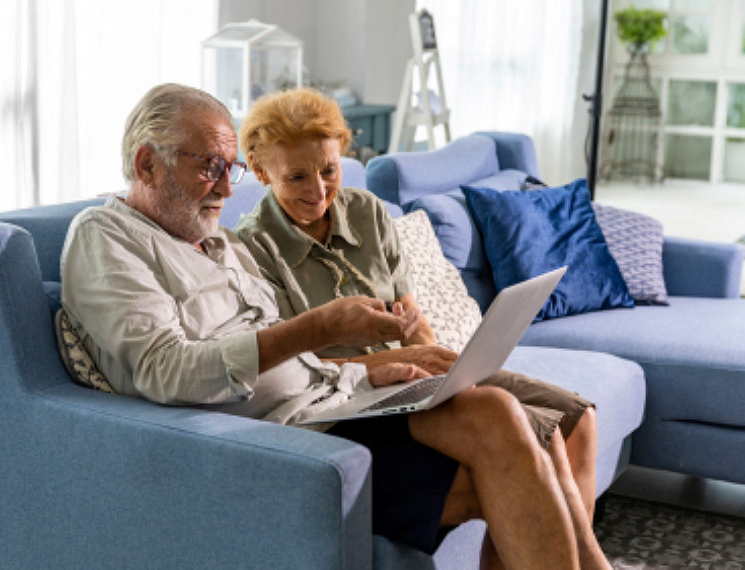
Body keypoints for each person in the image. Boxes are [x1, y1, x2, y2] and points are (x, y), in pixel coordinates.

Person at [61, 83, 608, 569]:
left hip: (338, 397)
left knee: (509, 416)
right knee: (508, 445)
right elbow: (165, 369)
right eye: (209, 167)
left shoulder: (218, 243)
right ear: (146, 164)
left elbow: (297, 361)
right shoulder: (105, 236)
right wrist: (318, 328)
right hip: (285, 431)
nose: (226, 190)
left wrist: (373, 371)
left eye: (231, 170)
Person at [235, 87, 611, 569]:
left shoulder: (367, 213)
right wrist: (400, 359)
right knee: (539, 431)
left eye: (329, 170)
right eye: (297, 177)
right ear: (261, 169)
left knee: (577, 418)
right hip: (347, 400)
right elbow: (293, 373)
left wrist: (422, 347)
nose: (318, 190)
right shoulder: (252, 250)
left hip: (413, 379)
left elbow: (411, 319)